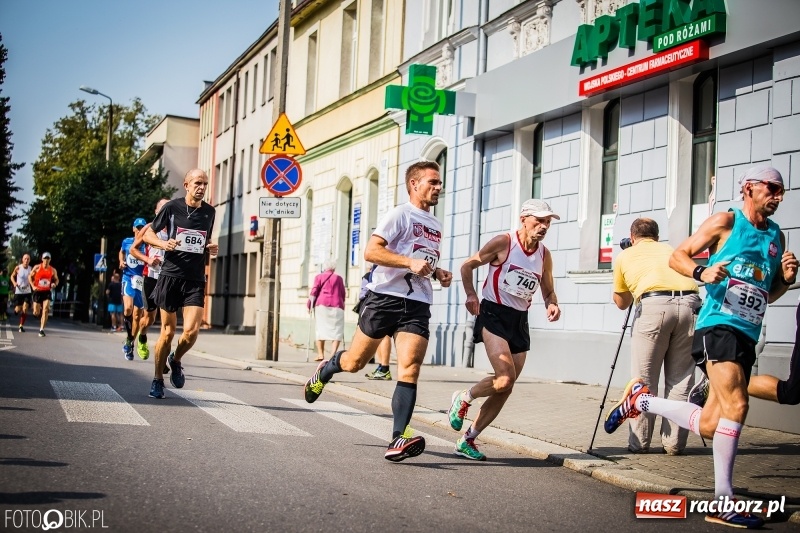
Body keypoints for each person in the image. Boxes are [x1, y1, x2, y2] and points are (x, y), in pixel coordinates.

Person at [604, 166, 797, 529]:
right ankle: (724, 501)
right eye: (772, 188)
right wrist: (700, 273)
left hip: (746, 334)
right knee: (738, 404)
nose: (778, 196)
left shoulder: (776, 237)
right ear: (749, 188)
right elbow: (679, 256)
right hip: (716, 325)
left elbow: (766, 294)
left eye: (782, 191)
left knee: (710, 424)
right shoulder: (725, 222)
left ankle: (639, 401)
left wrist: (787, 281)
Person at [303, 160, 453, 462]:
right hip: (383, 298)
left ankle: (399, 437)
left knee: (409, 366)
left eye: (439, 182)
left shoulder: (436, 224)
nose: (439, 187)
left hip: (418, 302)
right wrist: (408, 263)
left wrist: (437, 273)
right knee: (355, 362)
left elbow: (421, 259)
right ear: (414, 184)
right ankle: (328, 367)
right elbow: (371, 251)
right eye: (432, 182)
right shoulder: (400, 214)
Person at [448, 199, 561, 461]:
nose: (544, 226)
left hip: (519, 320)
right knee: (505, 377)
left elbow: (547, 287)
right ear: (524, 219)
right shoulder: (504, 243)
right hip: (493, 313)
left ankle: (468, 439)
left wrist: (551, 303)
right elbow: (467, 265)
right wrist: (470, 294)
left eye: (547, 222)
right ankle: (464, 397)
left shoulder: (544, 254)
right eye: (539, 220)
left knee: (505, 387)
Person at [611, 218, 701, 456]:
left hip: (654, 305)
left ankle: (639, 443)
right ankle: (673, 444)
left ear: (632, 237)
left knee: (644, 379)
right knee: (681, 380)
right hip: (691, 304)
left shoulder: (625, 256)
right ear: (657, 237)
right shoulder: (671, 249)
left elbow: (621, 303)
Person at [142, 169, 218, 399]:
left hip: (194, 279)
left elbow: (204, 241)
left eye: (205, 183)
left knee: (192, 331)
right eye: (197, 183)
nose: (202, 187)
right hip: (170, 276)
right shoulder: (171, 208)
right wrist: (163, 245)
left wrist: (210, 247)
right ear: (186, 185)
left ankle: (175, 359)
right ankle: (157, 379)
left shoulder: (209, 212)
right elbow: (147, 235)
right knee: (167, 332)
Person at [130, 199, 170, 360]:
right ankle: (142, 336)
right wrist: (147, 260)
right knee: (149, 318)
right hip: (151, 277)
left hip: (168, 278)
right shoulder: (148, 228)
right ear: (156, 212)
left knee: (167, 321)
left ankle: (163, 357)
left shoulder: (176, 228)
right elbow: (133, 250)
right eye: (163, 209)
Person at [120, 217, 148, 360]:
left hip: (141, 282)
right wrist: (121, 261)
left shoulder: (147, 245)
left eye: (142, 227)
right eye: (137, 227)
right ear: (133, 229)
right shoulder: (126, 241)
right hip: (128, 278)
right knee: (128, 309)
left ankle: (130, 341)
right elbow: (121, 252)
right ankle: (129, 337)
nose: (139, 230)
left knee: (138, 315)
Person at [358, 264, 393, 380]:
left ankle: (384, 368)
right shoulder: (391, 275)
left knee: (380, 336)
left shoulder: (370, 276)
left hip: (377, 306)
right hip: (391, 303)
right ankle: (383, 367)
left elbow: (363, 294)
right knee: (384, 336)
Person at [307, 260, 346, 362]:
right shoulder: (339, 278)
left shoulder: (319, 277)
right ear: (334, 268)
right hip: (337, 305)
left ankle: (320, 354)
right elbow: (343, 294)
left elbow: (314, 292)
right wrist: (343, 304)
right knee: (337, 330)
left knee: (320, 329)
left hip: (322, 305)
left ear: (324, 267)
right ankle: (333, 354)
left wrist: (309, 305)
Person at [29, 252, 59, 337]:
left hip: (47, 292)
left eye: (48, 258)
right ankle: (36, 312)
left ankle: (41, 329)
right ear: (42, 259)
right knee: (36, 312)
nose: (46, 260)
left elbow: (57, 279)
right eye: (45, 258)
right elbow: (29, 277)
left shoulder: (53, 270)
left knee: (46, 309)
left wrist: (54, 284)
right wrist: (33, 286)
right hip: (38, 291)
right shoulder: (37, 267)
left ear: (50, 260)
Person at [10, 253, 32, 333]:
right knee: (18, 309)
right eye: (25, 259)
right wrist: (14, 283)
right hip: (19, 291)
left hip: (27, 291)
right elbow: (12, 276)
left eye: (28, 259)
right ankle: (16, 310)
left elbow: (33, 278)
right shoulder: (18, 267)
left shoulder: (31, 269)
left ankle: (21, 325)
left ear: (29, 260)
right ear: (22, 260)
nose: (26, 260)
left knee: (25, 308)